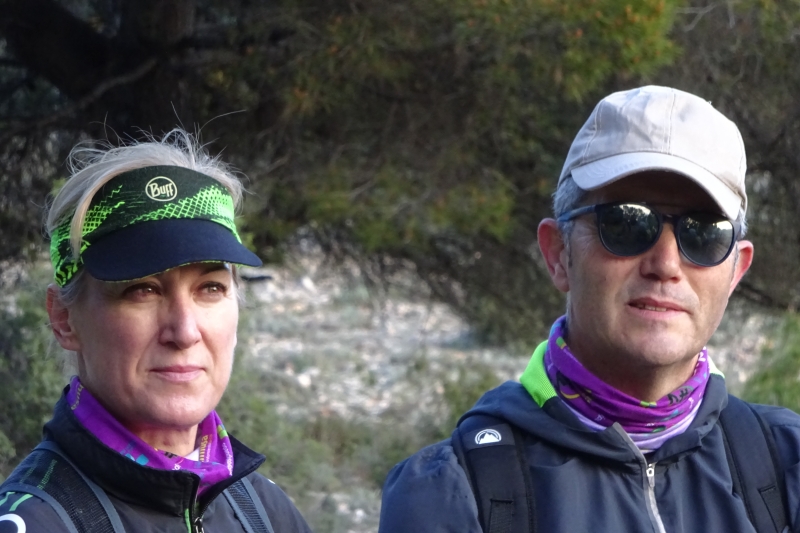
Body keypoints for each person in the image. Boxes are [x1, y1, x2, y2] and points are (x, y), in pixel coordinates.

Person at [378, 86, 800, 532]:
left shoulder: (787, 464)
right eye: (625, 223)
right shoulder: (452, 493)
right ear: (558, 254)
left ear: (735, 271)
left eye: (704, 234)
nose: (666, 265)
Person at [0, 130, 312, 532]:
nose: (184, 331)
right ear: (64, 318)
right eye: (142, 290)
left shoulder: (266, 510)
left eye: (210, 288)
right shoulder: (33, 522)